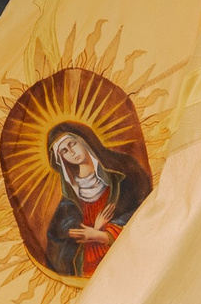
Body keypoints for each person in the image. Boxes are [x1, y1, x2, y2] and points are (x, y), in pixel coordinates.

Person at [41, 120, 151, 280]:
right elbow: (58, 250)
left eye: (72, 144)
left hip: (133, 256)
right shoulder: (68, 204)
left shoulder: (125, 170)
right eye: (64, 151)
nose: (71, 153)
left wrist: (103, 234)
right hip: (95, 273)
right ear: (61, 159)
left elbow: (146, 206)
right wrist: (95, 230)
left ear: (84, 140)